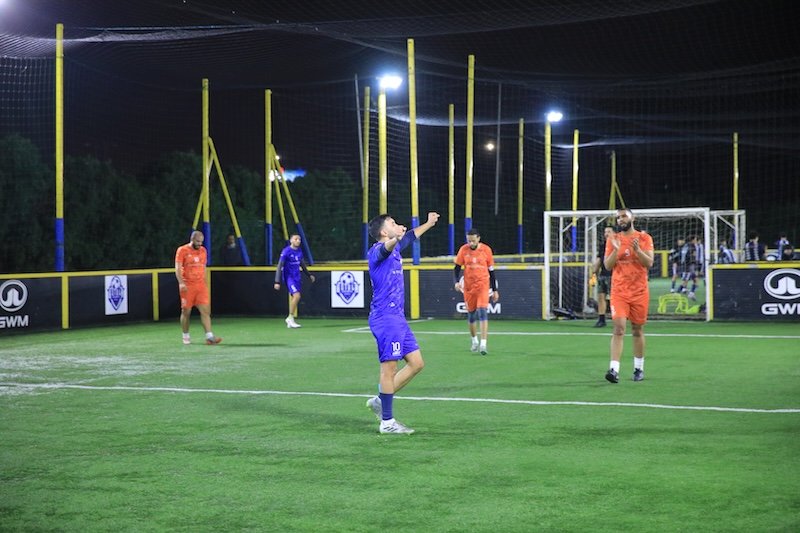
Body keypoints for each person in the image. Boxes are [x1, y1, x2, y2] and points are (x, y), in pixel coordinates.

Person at [365, 211, 440, 434]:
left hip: (397, 318)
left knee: (417, 363)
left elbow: (410, 237)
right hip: (385, 318)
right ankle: (387, 423)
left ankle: (380, 401)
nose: (398, 225)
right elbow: (386, 248)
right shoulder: (376, 251)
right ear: (383, 232)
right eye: (393, 223)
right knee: (389, 368)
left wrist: (428, 223)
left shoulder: (396, 246)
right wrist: (396, 237)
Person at [603, 208, 654, 383]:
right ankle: (614, 370)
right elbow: (608, 266)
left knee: (637, 330)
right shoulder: (613, 239)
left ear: (633, 218)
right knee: (618, 328)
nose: (621, 219)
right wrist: (615, 250)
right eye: (618, 217)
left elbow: (649, 263)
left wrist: (638, 250)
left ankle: (638, 368)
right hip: (619, 292)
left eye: (624, 216)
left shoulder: (644, 238)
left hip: (639, 292)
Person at [453, 228, 499, 354]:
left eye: (473, 240)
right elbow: (457, 268)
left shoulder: (486, 250)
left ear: (478, 238)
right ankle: (474, 340)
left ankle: (483, 344)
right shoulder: (463, 250)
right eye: (469, 241)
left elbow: (491, 271)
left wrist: (495, 290)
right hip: (469, 288)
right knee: (472, 315)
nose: (471, 243)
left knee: (482, 312)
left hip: (483, 286)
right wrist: (456, 282)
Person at [175, 230, 222, 345]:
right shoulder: (182, 250)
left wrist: (204, 282)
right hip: (188, 285)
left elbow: (203, 267)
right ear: (192, 239)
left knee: (205, 311)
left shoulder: (203, 251)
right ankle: (185, 335)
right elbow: (178, 268)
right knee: (186, 311)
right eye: (197, 241)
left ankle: (209, 337)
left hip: (200, 285)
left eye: (201, 242)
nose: (199, 244)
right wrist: (181, 283)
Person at [274, 233, 315, 328]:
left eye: (299, 239)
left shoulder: (299, 251)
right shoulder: (286, 251)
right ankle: (290, 317)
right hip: (289, 277)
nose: (298, 241)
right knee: (297, 295)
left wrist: (309, 275)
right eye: (296, 239)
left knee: (296, 297)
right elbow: (280, 266)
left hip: (297, 277)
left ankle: (290, 320)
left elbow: (302, 264)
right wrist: (277, 281)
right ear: (291, 240)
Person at [591, 226, 614, 327]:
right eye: (605, 232)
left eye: (609, 231)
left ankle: (619, 317)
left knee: (616, 298)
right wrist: (593, 273)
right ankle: (601, 319)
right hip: (603, 275)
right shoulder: (603, 246)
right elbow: (599, 260)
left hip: (615, 275)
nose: (606, 234)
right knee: (601, 297)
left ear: (614, 233)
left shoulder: (618, 244)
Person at [678, 234, 700, 300]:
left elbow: (682, 255)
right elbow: (692, 257)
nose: (696, 240)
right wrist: (695, 265)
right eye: (695, 239)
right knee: (685, 281)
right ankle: (677, 292)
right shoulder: (693, 246)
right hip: (689, 266)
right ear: (693, 240)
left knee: (695, 280)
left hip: (685, 265)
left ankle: (691, 293)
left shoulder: (685, 246)